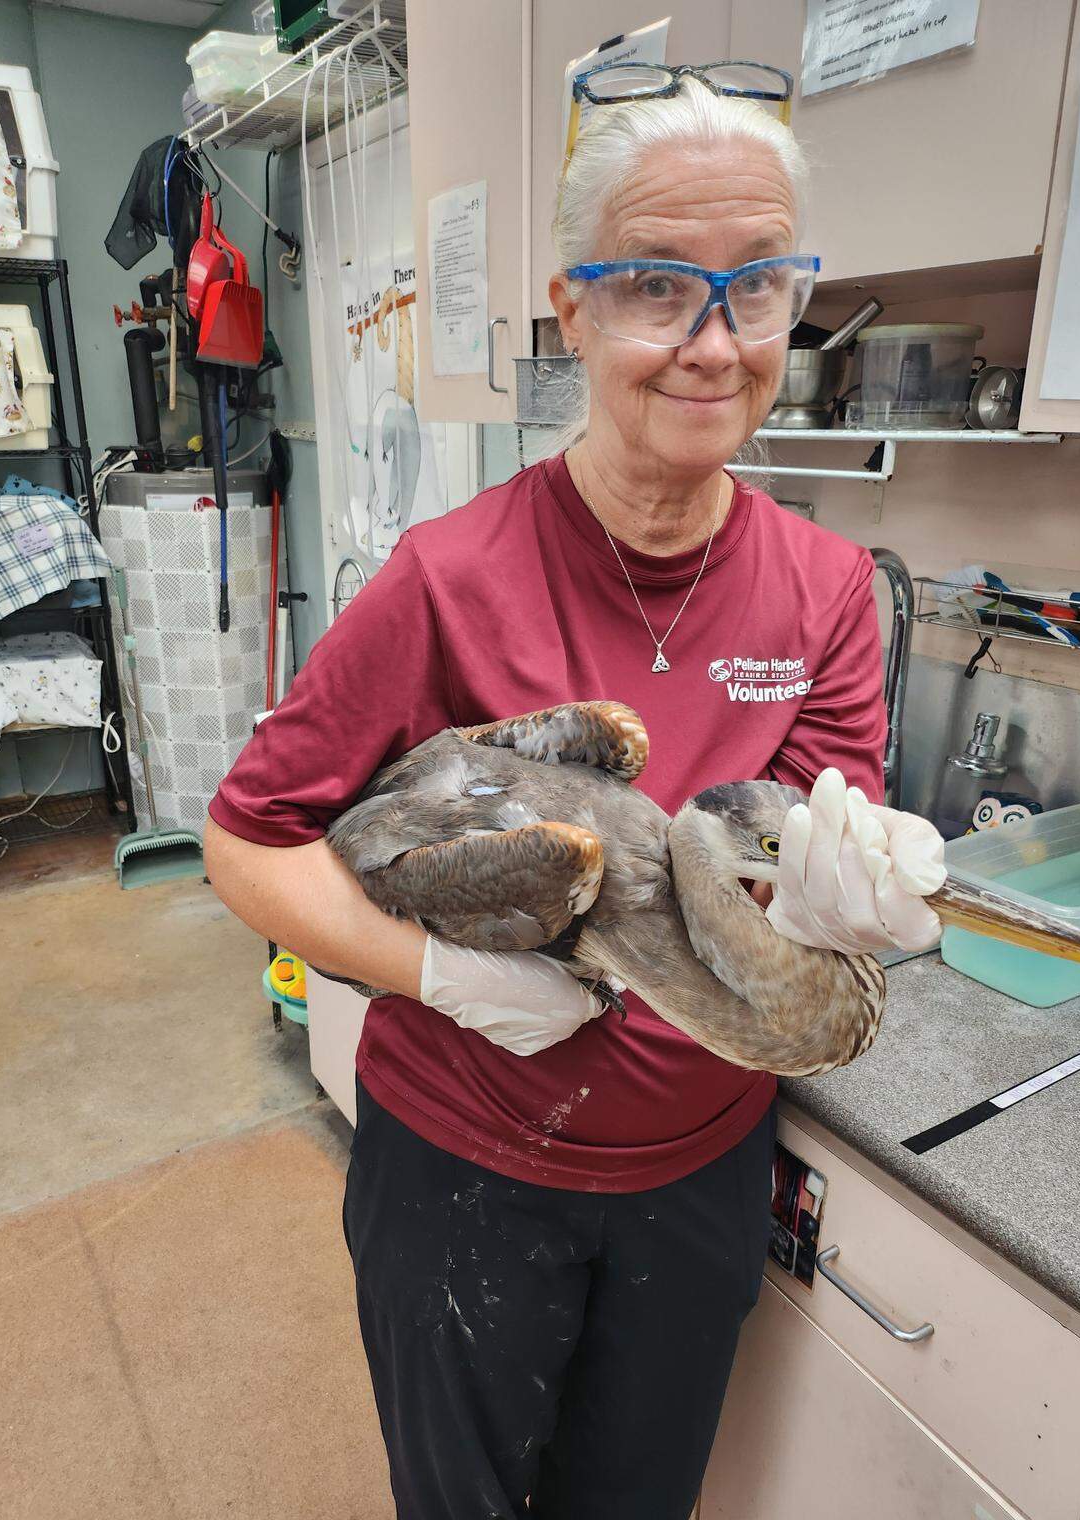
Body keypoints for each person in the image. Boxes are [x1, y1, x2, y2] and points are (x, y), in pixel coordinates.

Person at [205, 67, 944, 1520]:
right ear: (573, 310)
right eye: (659, 286)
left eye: (760, 287)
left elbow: (796, 859)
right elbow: (245, 843)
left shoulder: (829, 588)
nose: (714, 345)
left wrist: (848, 892)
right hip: (465, 1172)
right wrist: (441, 974)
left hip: (703, 1173)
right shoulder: (449, 576)